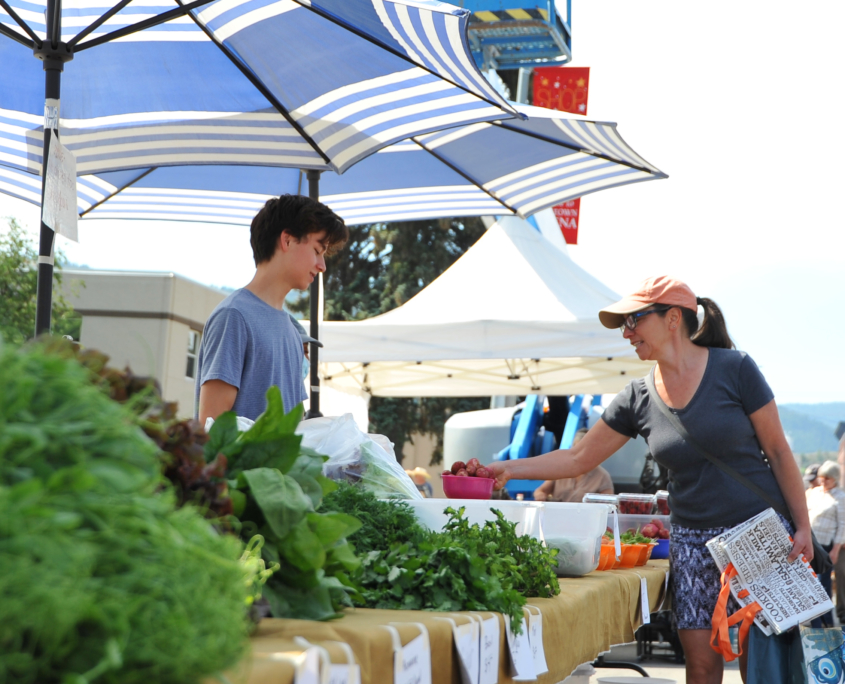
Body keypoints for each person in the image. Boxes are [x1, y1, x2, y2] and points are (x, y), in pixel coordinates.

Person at [488, 275, 811, 684]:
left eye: (634, 320)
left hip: (758, 532)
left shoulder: (736, 369)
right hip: (693, 541)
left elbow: (779, 451)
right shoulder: (637, 397)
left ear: (673, 318)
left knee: (763, 667)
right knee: (701, 666)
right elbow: (578, 457)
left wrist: (802, 526)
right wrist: (510, 469)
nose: (627, 333)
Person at [196, 195, 348, 425]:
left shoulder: (292, 331)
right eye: (317, 250)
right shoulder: (233, 317)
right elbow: (212, 426)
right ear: (287, 240)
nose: (322, 265)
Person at [806, 460, 845, 627]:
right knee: (811, 583)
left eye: (827, 478)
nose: (823, 481)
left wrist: (836, 548)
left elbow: (842, 524)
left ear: (834, 479)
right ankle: (814, 621)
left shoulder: (840, 497)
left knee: (823, 583)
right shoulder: (813, 493)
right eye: (821, 477)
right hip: (811, 541)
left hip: (827, 545)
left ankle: (826, 622)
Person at [532, 428, 614, 502]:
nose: (581, 454)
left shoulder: (602, 476)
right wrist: (540, 495)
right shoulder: (560, 470)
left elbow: (609, 503)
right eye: (578, 449)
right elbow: (540, 491)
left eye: (585, 450)